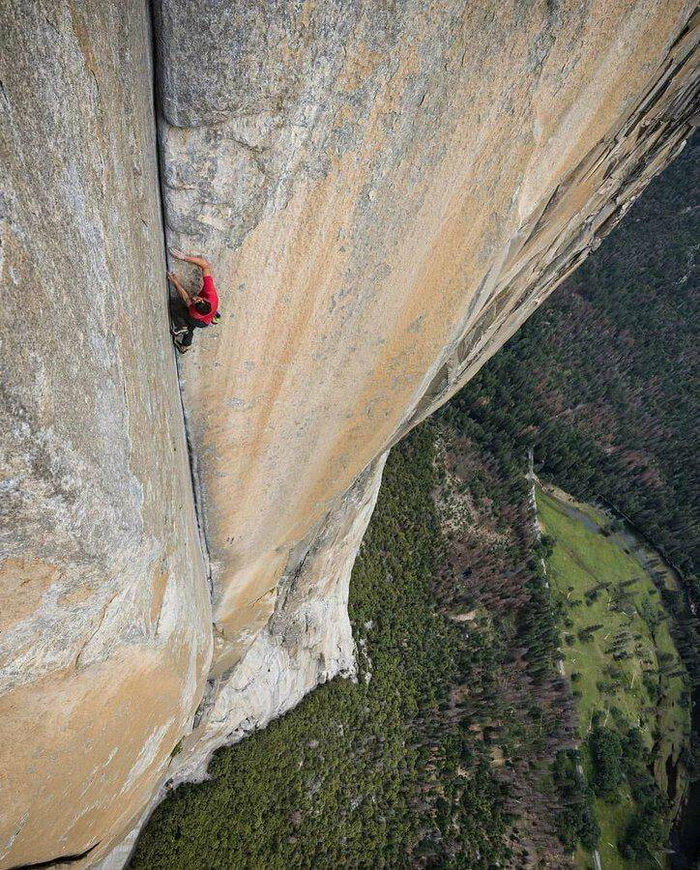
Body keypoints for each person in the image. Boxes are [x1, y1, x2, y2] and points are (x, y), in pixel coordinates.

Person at [167, 249, 221, 352]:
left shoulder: (195, 313)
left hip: (200, 321)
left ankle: (182, 325)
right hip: (206, 320)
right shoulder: (211, 294)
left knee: (174, 305)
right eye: (198, 299)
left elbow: (186, 298)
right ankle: (185, 346)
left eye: (194, 301)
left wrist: (175, 282)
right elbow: (205, 265)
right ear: (205, 300)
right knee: (190, 327)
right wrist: (183, 257)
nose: (195, 298)